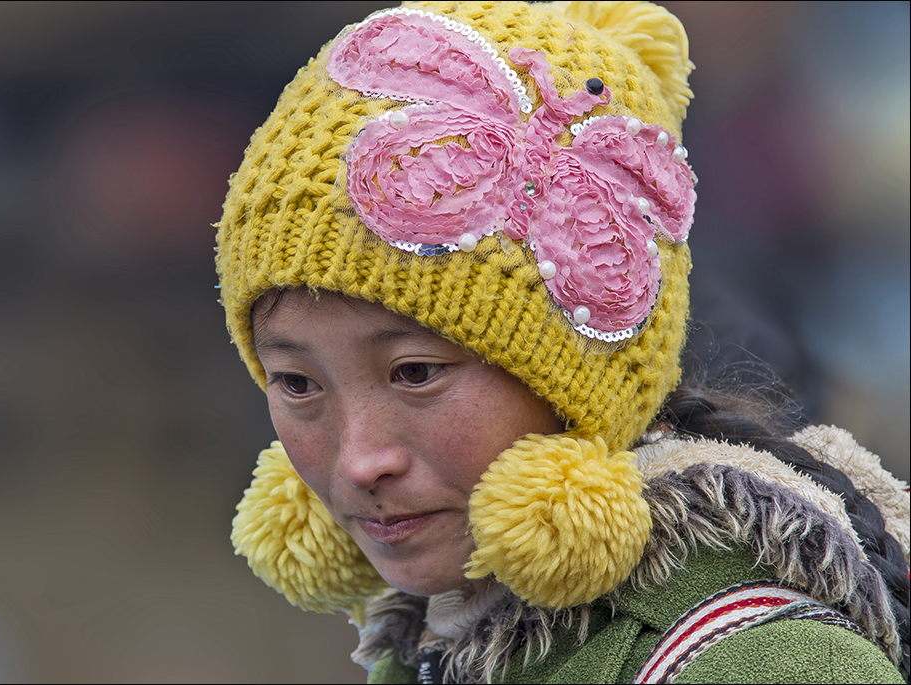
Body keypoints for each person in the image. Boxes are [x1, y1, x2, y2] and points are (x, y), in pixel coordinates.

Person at [215, 2, 909, 682]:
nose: (361, 460)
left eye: (416, 371)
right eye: (297, 383)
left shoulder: (761, 663)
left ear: (576, 381)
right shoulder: (433, 641)